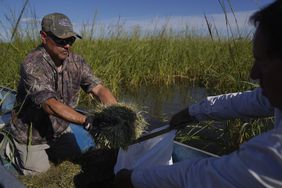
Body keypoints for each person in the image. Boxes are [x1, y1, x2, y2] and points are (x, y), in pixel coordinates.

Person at [114, 1, 282, 187]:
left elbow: (201, 177)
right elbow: (247, 101)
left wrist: (132, 178)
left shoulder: (275, 154)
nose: (253, 73)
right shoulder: (275, 97)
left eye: (262, 61)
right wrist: (193, 112)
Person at [5, 12, 117, 176]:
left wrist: (116, 112)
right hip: (31, 134)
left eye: (70, 40)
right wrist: (86, 121)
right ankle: (11, 148)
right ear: (44, 37)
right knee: (40, 173)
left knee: (76, 159)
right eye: (61, 40)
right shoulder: (32, 63)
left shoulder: (77, 61)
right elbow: (49, 104)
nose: (67, 46)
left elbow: (98, 89)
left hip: (61, 128)